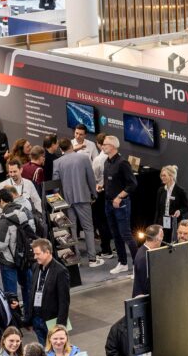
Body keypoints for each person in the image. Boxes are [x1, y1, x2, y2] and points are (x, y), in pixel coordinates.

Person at [53, 136, 103, 267]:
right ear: (71, 145)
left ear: (61, 149)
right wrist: (94, 194)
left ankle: (76, 260)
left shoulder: (57, 162)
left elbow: (55, 185)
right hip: (83, 198)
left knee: (72, 230)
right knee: (88, 228)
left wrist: (60, 202)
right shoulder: (83, 158)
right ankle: (92, 259)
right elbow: (91, 178)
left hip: (67, 201)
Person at [100, 136, 138, 275]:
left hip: (121, 205)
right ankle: (122, 263)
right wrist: (102, 186)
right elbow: (110, 181)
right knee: (115, 235)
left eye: (105, 144)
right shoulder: (106, 162)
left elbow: (132, 184)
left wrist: (119, 197)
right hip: (108, 203)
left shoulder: (123, 163)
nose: (102, 146)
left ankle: (137, 266)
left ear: (113, 146)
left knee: (126, 235)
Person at [0, 187, 34, 296]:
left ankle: (14, 308)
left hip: (9, 260)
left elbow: (1, 244)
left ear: (1, 201)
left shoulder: (3, 219)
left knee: (11, 294)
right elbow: (32, 232)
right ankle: (29, 308)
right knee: (28, 289)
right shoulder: (26, 211)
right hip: (26, 257)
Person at [26, 239, 70, 343]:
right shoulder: (35, 267)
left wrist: (60, 326)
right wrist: (29, 319)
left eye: (37, 254)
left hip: (52, 321)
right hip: (37, 319)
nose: (35, 257)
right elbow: (32, 292)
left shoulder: (61, 271)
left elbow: (64, 301)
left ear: (47, 252)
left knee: (56, 350)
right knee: (44, 350)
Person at [154, 165, 188, 243]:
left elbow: (186, 207)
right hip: (163, 222)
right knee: (163, 243)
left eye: (164, 175)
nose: (162, 177)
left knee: (175, 243)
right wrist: (156, 225)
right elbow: (158, 209)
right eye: (161, 175)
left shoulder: (180, 191)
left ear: (171, 176)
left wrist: (179, 211)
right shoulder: (161, 190)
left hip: (175, 223)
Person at [134, 225, 164, 297]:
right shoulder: (144, 258)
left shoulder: (145, 251)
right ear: (157, 239)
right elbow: (145, 285)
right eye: (162, 236)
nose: (163, 239)